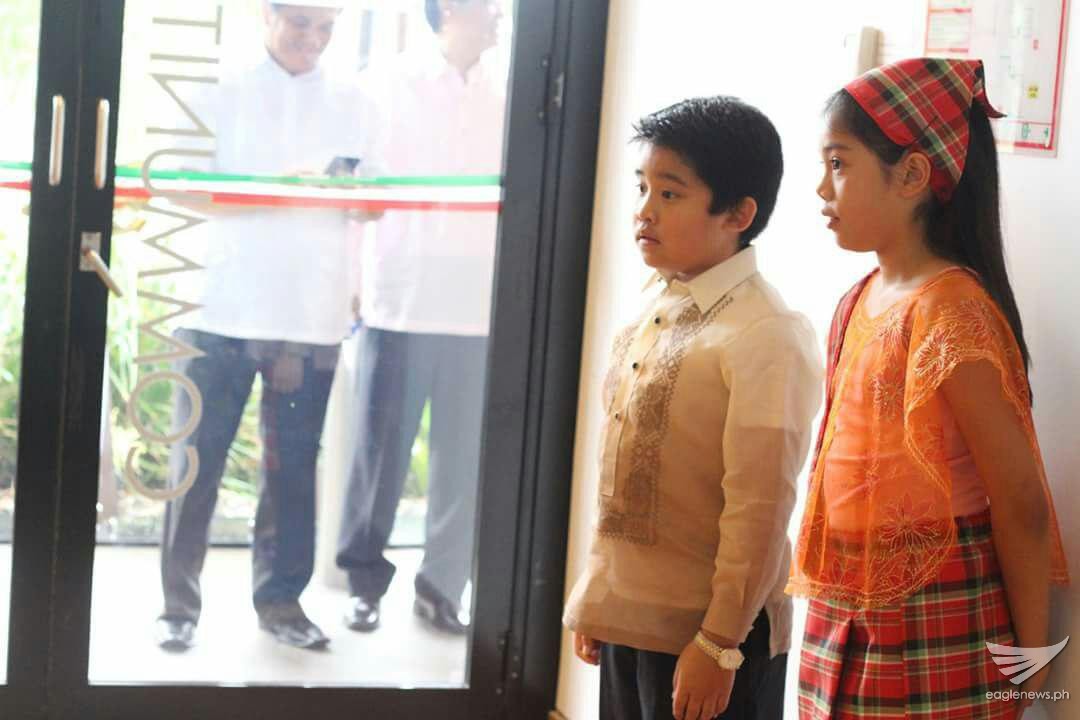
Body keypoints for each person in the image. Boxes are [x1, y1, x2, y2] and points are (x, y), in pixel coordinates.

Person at [788, 58, 1070, 719]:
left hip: (936, 613)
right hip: (842, 610)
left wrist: (1030, 662)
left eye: (839, 163)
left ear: (912, 176)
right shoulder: (857, 299)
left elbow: (1020, 502)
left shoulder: (951, 311)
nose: (821, 187)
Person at [563, 96, 823, 720]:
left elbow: (760, 508)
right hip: (630, 622)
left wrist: (719, 643)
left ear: (738, 213)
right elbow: (622, 476)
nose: (644, 211)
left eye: (670, 194)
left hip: (710, 640)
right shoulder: (655, 306)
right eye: (642, 188)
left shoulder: (766, 333)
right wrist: (599, 600)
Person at [155, 0, 377, 651]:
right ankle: (177, 608)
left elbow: (374, 205)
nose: (314, 38)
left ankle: (281, 605)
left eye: (326, 27)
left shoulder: (356, 102)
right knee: (195, 465)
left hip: (309, 316)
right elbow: (179, 185)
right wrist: (282, 187)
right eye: (301, 22)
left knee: (292, 472)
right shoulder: (217, 90)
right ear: (266, 15)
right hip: (219, 307)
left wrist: (352, 197)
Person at [335, 0, 505, 636]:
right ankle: (363, 585)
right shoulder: (386, 84)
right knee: (380, 455)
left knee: (462, 461)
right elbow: (359, 195)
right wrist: (351, 283)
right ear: (451, 9)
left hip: (478, 308)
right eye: (489, 5)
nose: (499, 14)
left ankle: (440, 589)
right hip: (400, 300)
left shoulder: (505, 94)